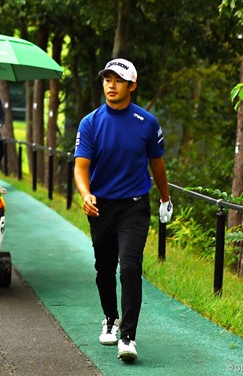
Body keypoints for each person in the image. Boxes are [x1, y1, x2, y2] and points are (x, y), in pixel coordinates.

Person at [73, 58, 173, 362]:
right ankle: (110, 317)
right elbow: (80, 167)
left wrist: (165, 200)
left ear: (132, 85)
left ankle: (128, 336)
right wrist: (86, 193)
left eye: (117, 80)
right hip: (100, 207)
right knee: (104, 269)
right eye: (107, 79)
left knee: (129, 268)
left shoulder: (147, 123)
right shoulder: (90, 122)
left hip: (134, 207)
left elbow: (157, 165)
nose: (110, 85)